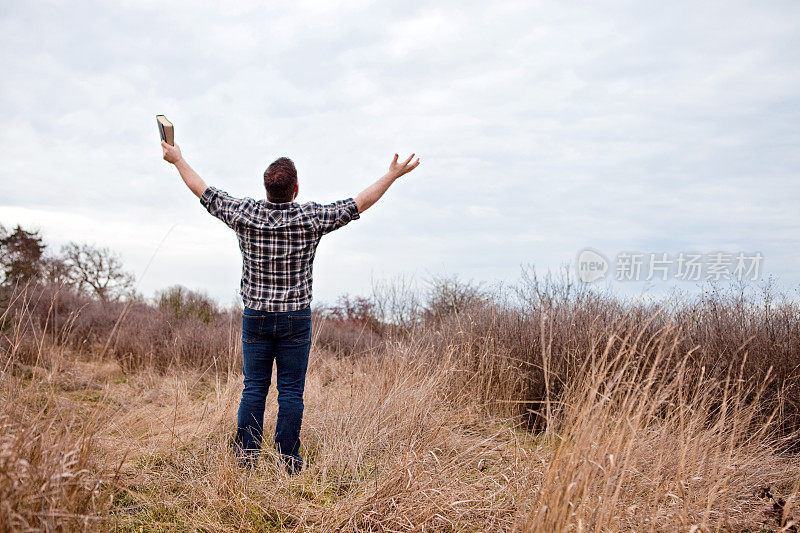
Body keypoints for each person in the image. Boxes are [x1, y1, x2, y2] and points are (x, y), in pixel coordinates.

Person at [161, 140, 420, 472]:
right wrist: (392, 176)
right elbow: (359, 203)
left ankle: (246, 458)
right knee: (291, 392)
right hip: (295, 318)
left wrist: (178, 159)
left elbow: (204, 192)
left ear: (266, 187)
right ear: (296, 189)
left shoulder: (245, 214)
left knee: (253, 387)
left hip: (255, 316)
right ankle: (287, 460)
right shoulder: (310, 218)